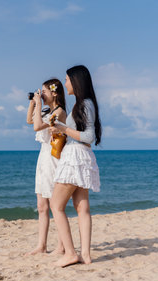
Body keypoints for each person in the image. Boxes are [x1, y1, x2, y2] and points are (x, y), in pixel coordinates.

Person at [49, 65, 102, 267]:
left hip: (75, 156)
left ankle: (71, 253)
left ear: (76, 82)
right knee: (82, 208)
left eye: (67, 80)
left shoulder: (84, 104)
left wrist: (63, 128)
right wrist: (63, 131)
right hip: (82, 156)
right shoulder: (85, 104)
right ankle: (86, 255)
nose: (65, 83)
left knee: (56, 205)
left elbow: (88, 136)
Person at [26, 78, 67, 255]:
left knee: (55, 206)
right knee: (42, 206)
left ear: (54, 92)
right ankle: (41, 245)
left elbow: (36, 127)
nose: (41, 94)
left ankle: (61, 246)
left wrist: (37, 103)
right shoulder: (45, 111)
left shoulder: (59, 112)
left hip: (53, 159)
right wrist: (33, 104)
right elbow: (29, 120)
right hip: (42, 159)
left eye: (44, 91)